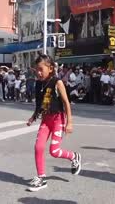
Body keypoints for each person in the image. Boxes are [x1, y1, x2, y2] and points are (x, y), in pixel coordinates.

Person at [26, 54, 82, 192]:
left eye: (41, 69)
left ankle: (74, 156)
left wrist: (70, 122)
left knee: (54, 151)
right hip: (45, 120)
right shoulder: (38, 83)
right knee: (38, 147)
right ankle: (41, 178)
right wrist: (33, 117)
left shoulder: (58, 82)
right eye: (36, 70)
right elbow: (39, 103)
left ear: (50, 68)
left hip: (58, 119)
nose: (38, 73)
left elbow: (66, 103)